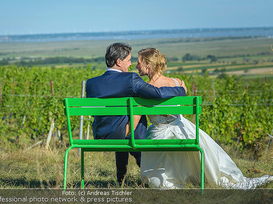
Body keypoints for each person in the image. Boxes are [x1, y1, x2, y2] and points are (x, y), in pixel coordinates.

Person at [136, 47, 273, 189]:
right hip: (183, 129)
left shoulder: (146, 89)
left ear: (148, 64)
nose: (136, 65)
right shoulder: (177, 83)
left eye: (139, 62)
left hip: (159, 135)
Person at [85, 42, 187, 185]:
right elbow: (157, 93)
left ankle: (122, 178)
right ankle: (144, 166)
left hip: (101, 135)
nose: (131, 64)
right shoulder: (130, 79)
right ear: (119, 62)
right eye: (128, 60)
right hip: (124, 133)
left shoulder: (91, 83)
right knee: (138, 115)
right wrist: (181, 89)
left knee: (125, 118)